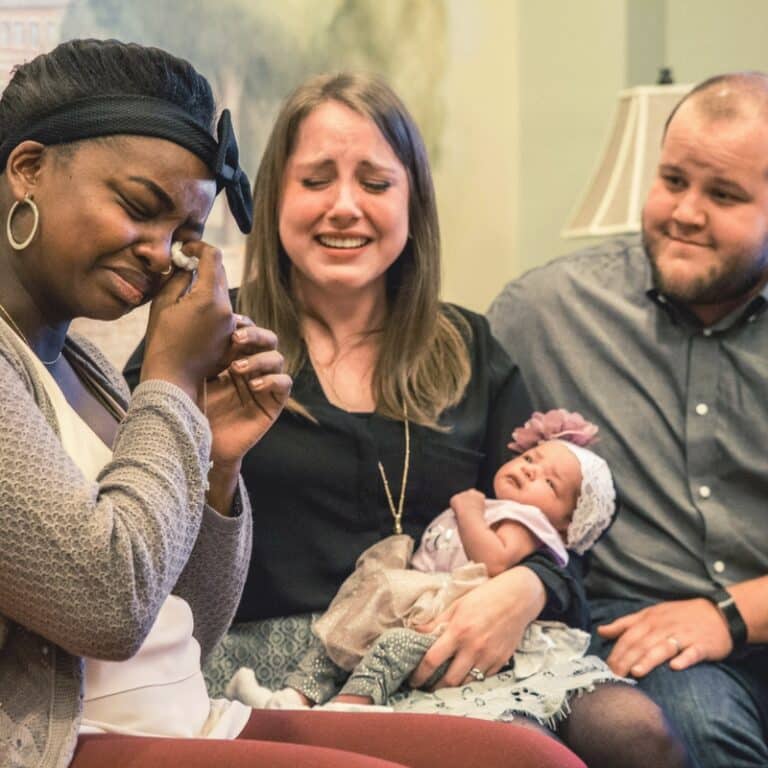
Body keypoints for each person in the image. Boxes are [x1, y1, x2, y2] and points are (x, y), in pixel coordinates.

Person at [0, 39, 584, 768]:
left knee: (536, 762)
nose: (159, 254)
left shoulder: (82, 369)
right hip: (67, 736)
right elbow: (107, 607)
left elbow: (185, 625)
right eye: (138, 208)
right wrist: (171, 382)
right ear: (26, 170)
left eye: (184, 236)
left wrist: (216, 467)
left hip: (189, 713)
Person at [127, 71, 688, 768]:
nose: (344, 207)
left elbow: (560, 529)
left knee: (637, 735)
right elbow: (139, 533)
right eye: (316, 180)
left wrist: (527, 586)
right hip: (280, 667)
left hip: (450, 640)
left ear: (413, 201)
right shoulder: (209, 336)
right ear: (273, 199)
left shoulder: (469, 348)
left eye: (375, 182)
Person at [487, 71, 768, 768]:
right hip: (645, 633)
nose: (685, 213)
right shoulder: (546, 314)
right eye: (673, 181)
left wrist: (731, 615)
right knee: (699, 732)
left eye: (724, 195)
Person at [228, 408, 616, 717]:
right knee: (338, 635)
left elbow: (495, 561)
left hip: (448, 617)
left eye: (550, 483)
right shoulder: (501, 508)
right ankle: (292, 699)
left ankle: (350, 708)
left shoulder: (526, 524)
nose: (531, 469)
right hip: (417, 602)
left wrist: (468, 511)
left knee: (392, 646)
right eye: (531, 458)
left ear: (567, 526)